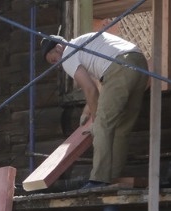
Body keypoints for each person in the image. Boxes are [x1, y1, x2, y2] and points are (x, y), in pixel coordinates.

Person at [41, 32, 148, 189]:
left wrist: (96, 121)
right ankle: (112, 177)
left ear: (58, 47)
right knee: (122, 128)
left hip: (118, 68)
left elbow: (90, 89)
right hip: (139, 63)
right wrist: (87, 112)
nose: (57, 64)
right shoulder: (83, 43)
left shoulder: (68, 55)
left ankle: (99, 180)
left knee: (102, 126)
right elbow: (100, 83)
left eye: (54, 60)